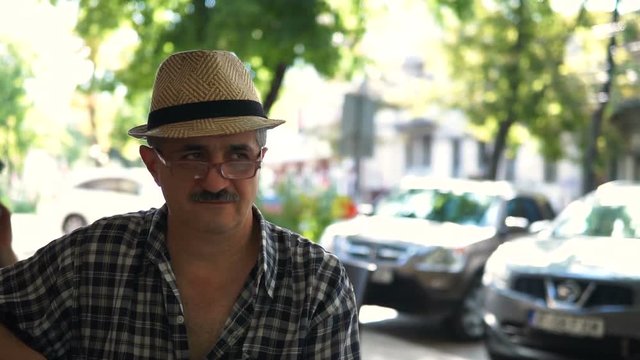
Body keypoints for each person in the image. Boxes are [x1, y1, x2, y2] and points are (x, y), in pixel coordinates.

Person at [0, 50, 360, 359]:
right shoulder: (91, 259)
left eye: (238, 156)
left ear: (260, 160)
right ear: (154, 166)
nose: (216, 181)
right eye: (192, 156)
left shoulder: (316, 283)